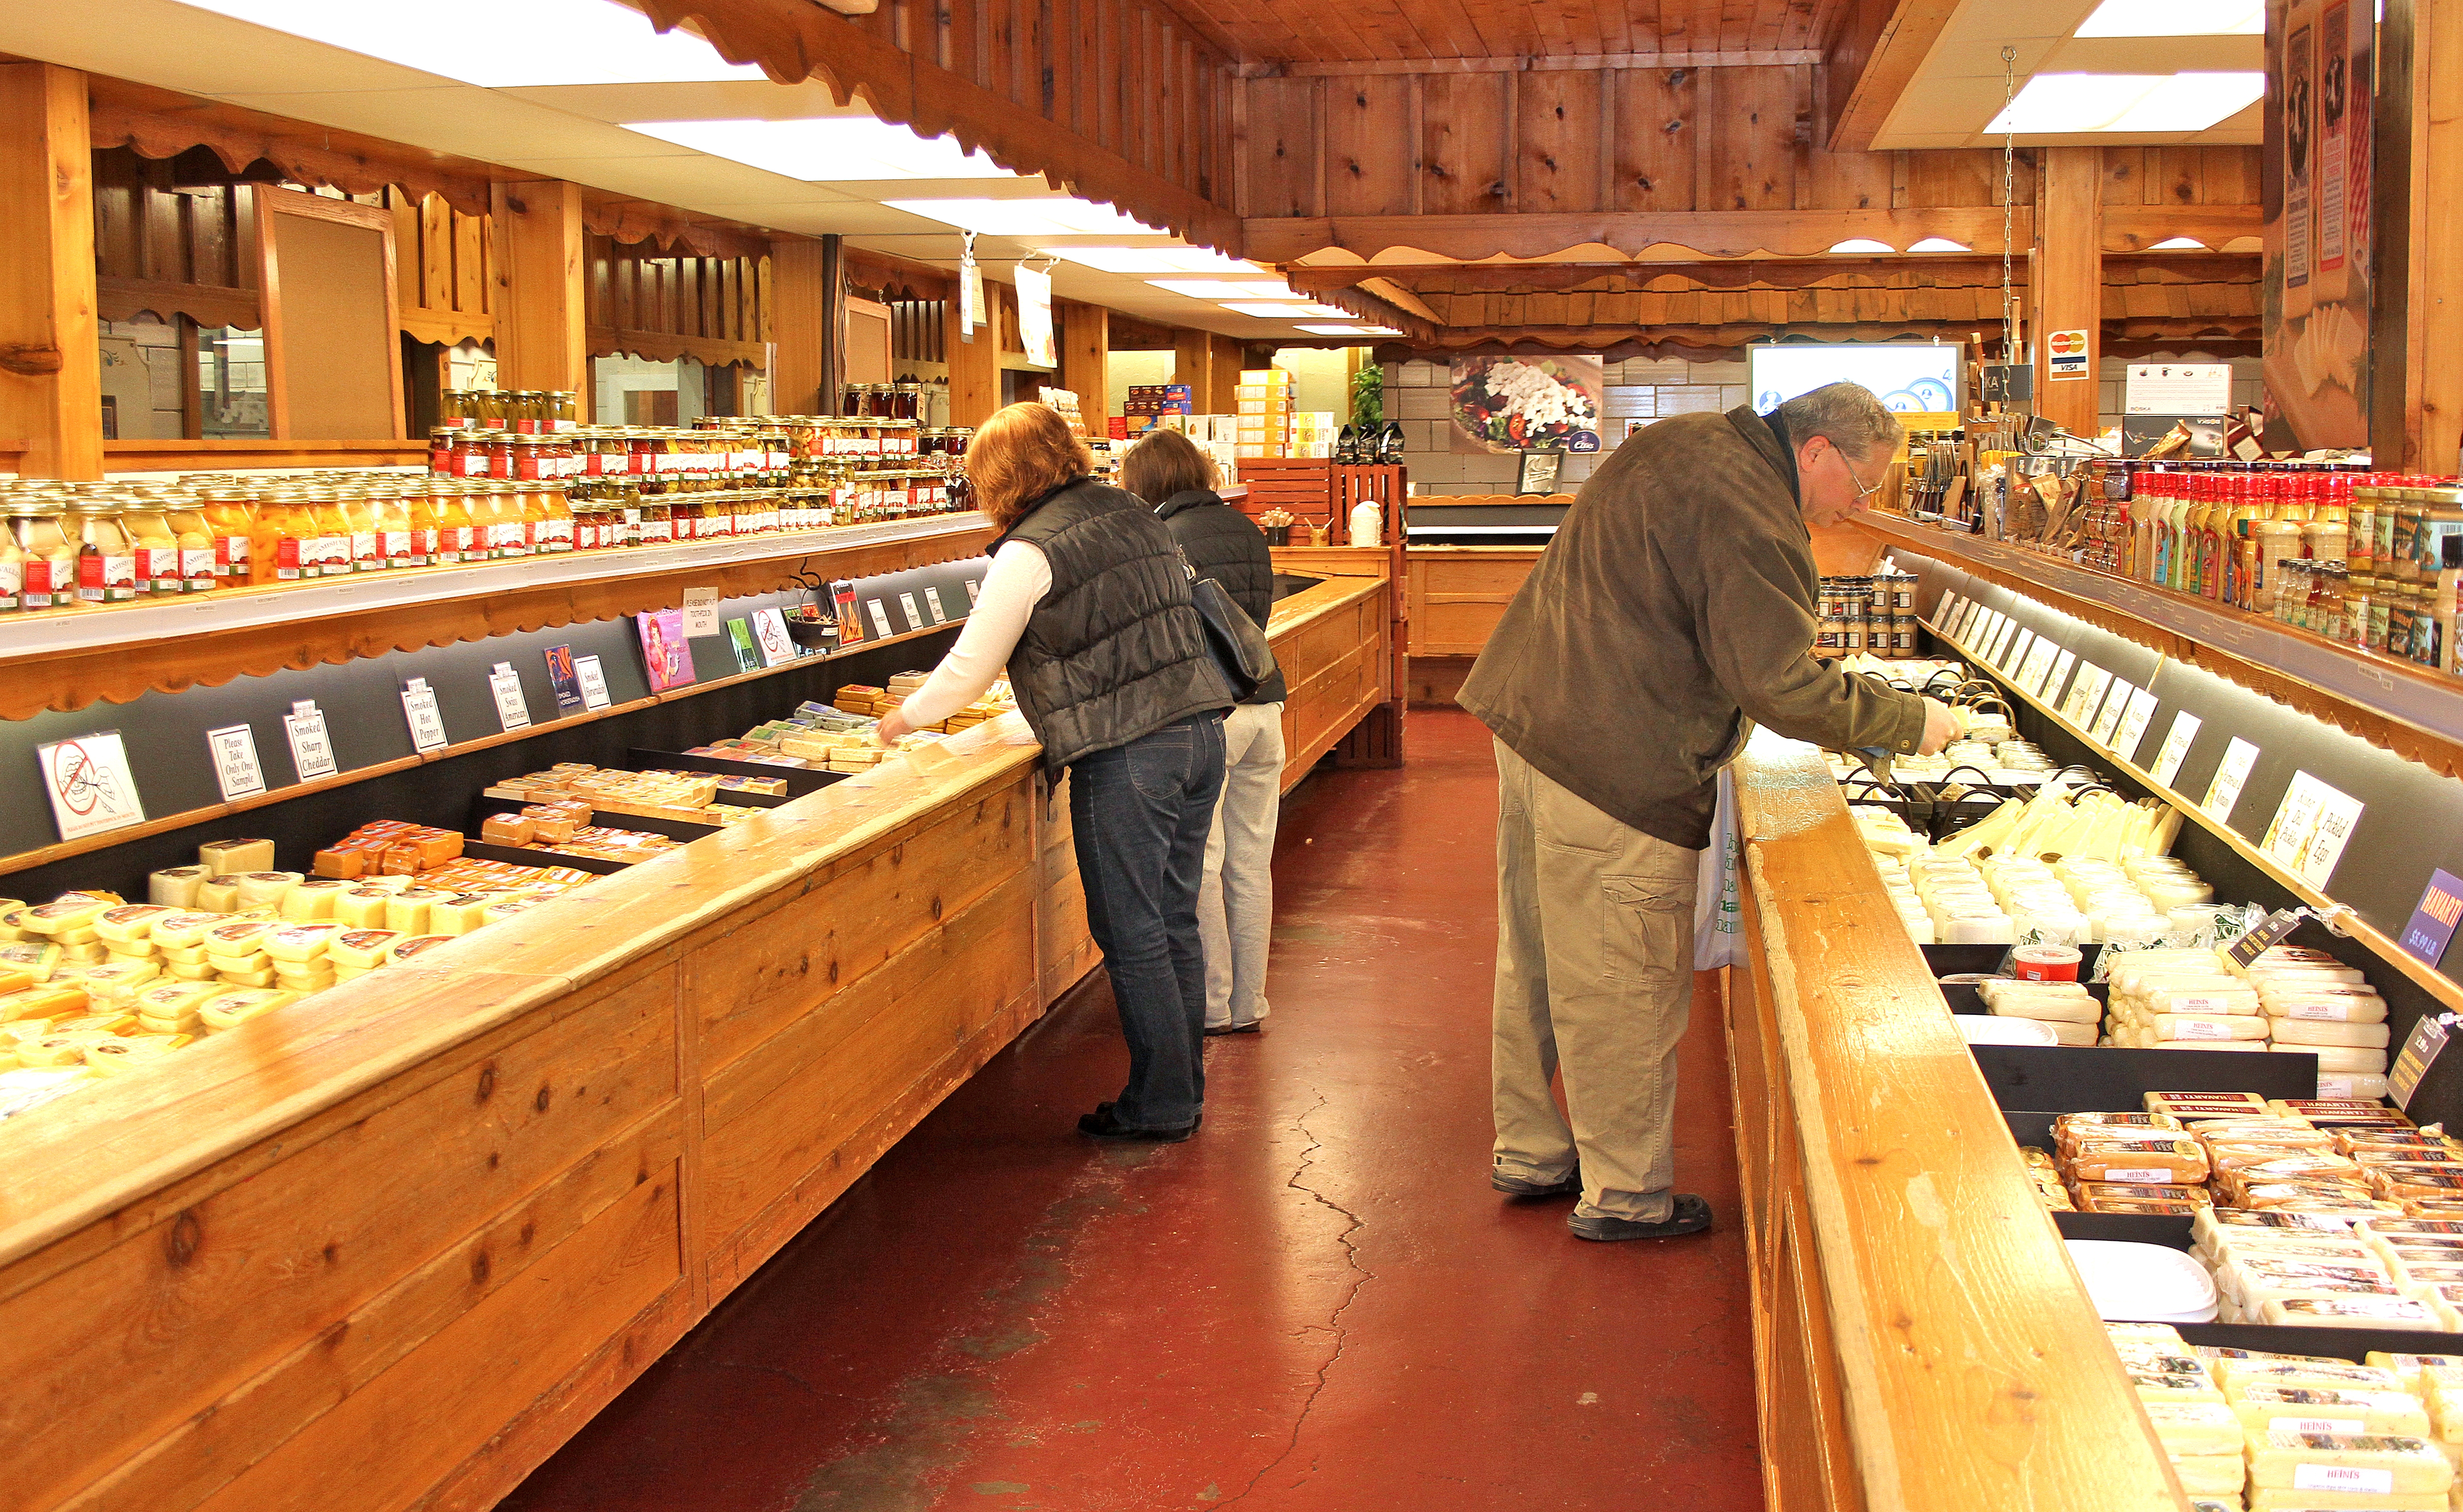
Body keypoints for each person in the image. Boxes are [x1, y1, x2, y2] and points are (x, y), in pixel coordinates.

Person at [1459, 381, 1959, 1242]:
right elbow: (1777, 685)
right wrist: (1910, 721)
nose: (1860, 504)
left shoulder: (1688, 438)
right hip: (1614, 753)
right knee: (1620, 975)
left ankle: (1532, 1149)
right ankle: (1622, 1196)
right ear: (1815, 453)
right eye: (1863, 483)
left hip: (1534, 716)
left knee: (1539, 948)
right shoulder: (1754, 515)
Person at [880, 402, 1235, 1141]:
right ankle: (1184, 1087)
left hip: (1129, 751)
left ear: (1001, 478)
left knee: (1131, 929)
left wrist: (902, 720)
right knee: (1173, 918)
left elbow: (970, 668)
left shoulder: (1029, 549)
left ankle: (1163, 1103)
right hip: (1201, 731)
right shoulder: (1131, 510)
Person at [1121, 429, 1287, 1038]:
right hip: (1265, 705)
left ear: (1145, 485)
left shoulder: (1161, 539)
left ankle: (1212, 1004)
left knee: (1203, 864)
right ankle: (1250, 1002)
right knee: (1251, 863)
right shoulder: (1246, 528)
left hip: (1208, 717)